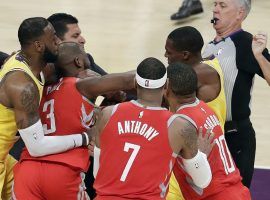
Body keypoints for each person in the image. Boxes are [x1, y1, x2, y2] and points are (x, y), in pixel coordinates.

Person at [13, 42, 136, 200]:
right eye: (84, 52)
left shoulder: (39, 88)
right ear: (78, 61)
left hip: (28, 170)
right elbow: (127, 80)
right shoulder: (82, 85)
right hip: (63, 171)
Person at [0, 17, 93, 200]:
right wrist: (85, 137)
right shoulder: (23, 86)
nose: (59, 42)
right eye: (53, 39)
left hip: (5, 157)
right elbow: (37, 147)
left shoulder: (30, 62)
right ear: (39, 46)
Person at [92, 57, 212, 199]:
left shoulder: (107, 114)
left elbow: (97, 173)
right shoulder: (179, 126)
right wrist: (201, 156)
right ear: (167, 85)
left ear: (135, 83)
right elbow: (203, 181)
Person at [202, 0, 270, 188]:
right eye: (215, 4)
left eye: (222, 6)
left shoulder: (246, 43)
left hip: (235, 137)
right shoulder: (208, 47)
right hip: (208, 135)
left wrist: (259, 55)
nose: (215, 9)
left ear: (240, 13)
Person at [165, 62, 251, 200]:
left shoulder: (181, 124)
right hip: (237, 192)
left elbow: (198, 181)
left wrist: (200, 157)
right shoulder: (205, 108)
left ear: (166, 88)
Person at [164, 26, 226, 200]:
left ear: (185, 55)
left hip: (199, 156)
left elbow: (152, 79)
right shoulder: (209, 63)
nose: (165, 57)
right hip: (193, 154)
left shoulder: (202, 73)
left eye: (169, 53)